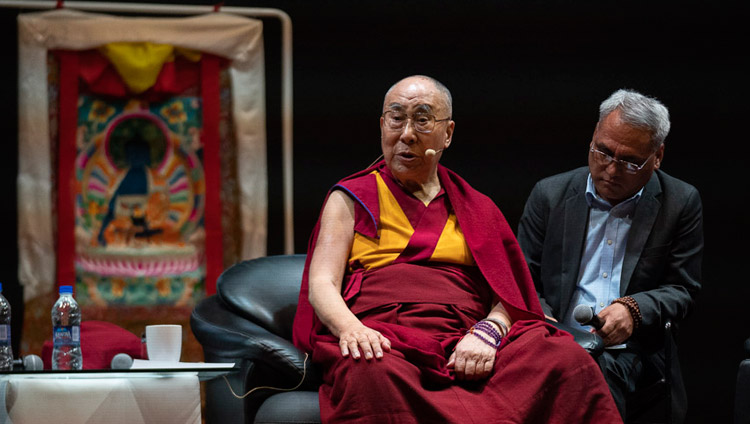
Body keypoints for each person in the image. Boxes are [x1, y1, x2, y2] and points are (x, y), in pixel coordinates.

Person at [292, 75, 621, 423]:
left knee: (565, 360)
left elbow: (508, 295)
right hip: (386, 337)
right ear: (381, 126)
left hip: (465, 337)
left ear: (447, 133)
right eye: (396, 117)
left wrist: (488, 332)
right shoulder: (351, 198)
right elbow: (322, 283)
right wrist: (351, 329)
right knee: (370, 370)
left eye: (421, 119)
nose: (406, 134)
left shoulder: (476, 207)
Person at [517, 89, 703, 422]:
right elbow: (521, 280)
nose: (612, 170)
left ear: (657, 156)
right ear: (593, 137)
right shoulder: (550, 194)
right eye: (603, 152)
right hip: (552, 338)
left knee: (596, 370)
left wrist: (633, 310)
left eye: (630, 161)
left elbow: (683, 290)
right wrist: (550, 328)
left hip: (633, 349)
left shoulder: (680, 203)